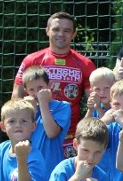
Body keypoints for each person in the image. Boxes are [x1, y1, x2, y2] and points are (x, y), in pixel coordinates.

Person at [12, 12, 95, 158]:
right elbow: (16, 97)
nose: (61, 34)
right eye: (56, 29)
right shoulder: (31, 60)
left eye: (67, 31)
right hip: (37, 135)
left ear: (74, 34)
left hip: (71, 138)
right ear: (47, 30)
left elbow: (93, 101)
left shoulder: (85, 64)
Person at [22, 65, 71, 172]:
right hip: (29, 167)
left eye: (40, 88)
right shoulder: (24, 109)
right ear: (26, 91)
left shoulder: (62, 106)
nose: (36, 93)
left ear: (49, 85)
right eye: (31, 89)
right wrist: (30, 111)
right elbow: (20, 136)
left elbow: (51, 133)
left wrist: (43, 103)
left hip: (51, 166)